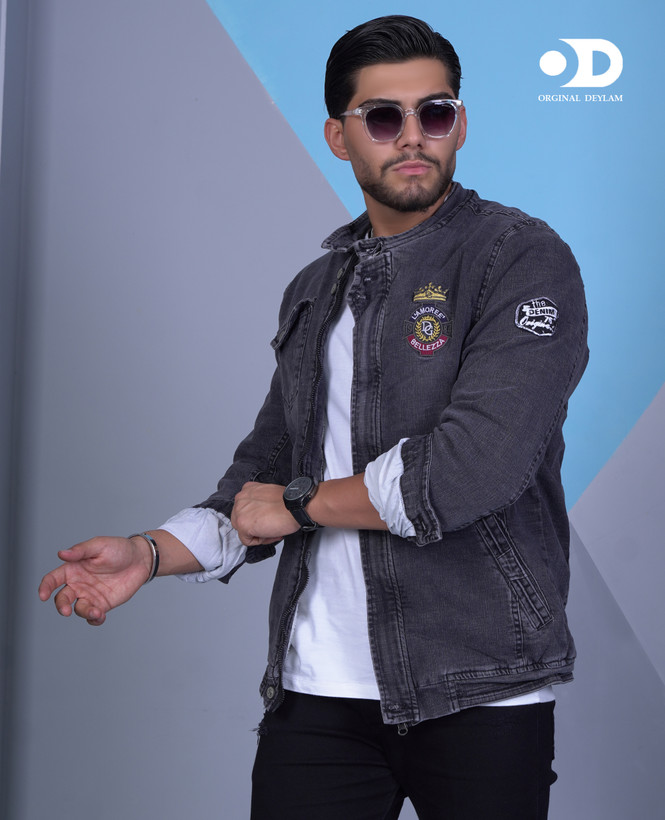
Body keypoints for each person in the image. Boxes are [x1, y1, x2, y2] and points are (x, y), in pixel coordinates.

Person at [39, 15, 588, 820]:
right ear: (339, 136)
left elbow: (475, 466)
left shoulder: (518, 257)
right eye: (382, 117)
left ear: (460, 123)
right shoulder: (316, 288)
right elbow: (262, 476)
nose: (412, 136)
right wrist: (148, 554)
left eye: (434, 113)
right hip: (317, 693)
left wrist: (299, 506)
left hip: (480, 686)